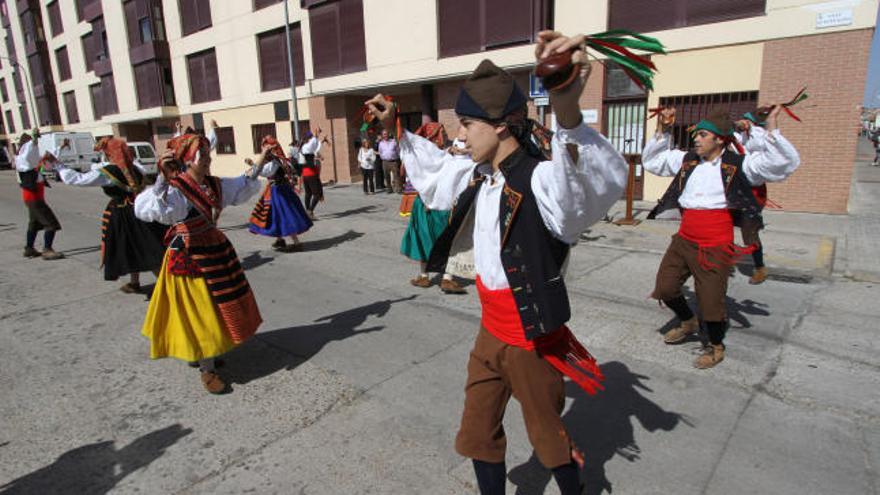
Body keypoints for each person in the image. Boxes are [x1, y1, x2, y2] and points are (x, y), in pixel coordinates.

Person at [366, 30, 627, 495]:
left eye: (467, 125)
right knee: (477, 430)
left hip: (531, 338)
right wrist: (394, 130)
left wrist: (566, 108)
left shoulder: (542, 180)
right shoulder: (477, 173)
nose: (460, 136)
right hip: (490, 330)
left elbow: (588, 187)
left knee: (547, 435)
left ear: (501, 125)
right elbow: (435, 177)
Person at [643, 106, 800, 369]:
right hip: (683, 239)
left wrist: (771, 127)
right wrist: (663, 128)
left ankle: (715, 346)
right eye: (697, 135)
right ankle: (688, 321)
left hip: (714, 244)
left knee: (711, 302)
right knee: (666, 287)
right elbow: (653, 162)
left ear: (719, 139)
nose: (696, 139)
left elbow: (783, 163)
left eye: (703, 135)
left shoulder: (740, 165)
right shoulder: (688, 159)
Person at [134, 131, 266, 394]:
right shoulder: (177, 188)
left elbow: (239, 186)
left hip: (215, 249)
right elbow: (156, 210)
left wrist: (261, 160)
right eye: (202, 155)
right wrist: (162, 178)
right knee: (200, 311)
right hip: (190, 256)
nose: (208, 159)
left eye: (208, 153)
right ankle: (207, 370)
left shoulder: (213, 184)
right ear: (188, 160)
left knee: (218, 306)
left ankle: (208, 351)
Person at [50, 137, 166, 293]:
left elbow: (78, 179)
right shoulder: (136, 168)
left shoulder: (110, 172)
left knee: (145, 250)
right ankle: (134, 282)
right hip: (139, 209)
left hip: (123, 215)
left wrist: (59, 166)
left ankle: (168, 288)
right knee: (134, 247)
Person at [400, 122, 467, 294]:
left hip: (440, 205)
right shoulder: (426, 156)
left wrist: (456, 153)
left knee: (445, 239)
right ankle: (427, 276)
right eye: (441, 132)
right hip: (427, 204)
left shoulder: (444, 153)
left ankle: (445, 278)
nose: (445, 134)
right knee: (428, 239)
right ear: (433, 135)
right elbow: (425, 179)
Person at [248, 136, 312, 252]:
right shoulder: (279, 159)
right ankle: (280, 239)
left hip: (279, 191)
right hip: (279, 190)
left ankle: (296, 243)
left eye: (265, 147)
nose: (264, 150)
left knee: (285, 215)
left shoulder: (275, 161)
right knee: (275, 215)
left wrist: (253, 165)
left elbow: (263, 172)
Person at [735, 112, 772, 284]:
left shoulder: (761, 145)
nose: (744, 124)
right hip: (733, 190)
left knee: (749, 232)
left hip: (753, 193)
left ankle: (759, 267)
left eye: (748, 122)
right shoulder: (739, 139)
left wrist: (751, 128)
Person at [16, 129, 64, 260]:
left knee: (34, 223)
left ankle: (29, 248)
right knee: (51, 224)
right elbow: (29, 154)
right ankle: (47, 250)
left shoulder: (30, 162)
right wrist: (34, 140)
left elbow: (46, 157)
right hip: (34, 199)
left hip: (34, 198)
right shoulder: (23, 161)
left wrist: (61, 147)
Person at [300, 129, 329, 219]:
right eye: (311, 137)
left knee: (308, 193)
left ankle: (308, 212)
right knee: (316, 193)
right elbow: (314, 144)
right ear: (308, 139)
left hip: (306, 173)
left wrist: (319, 137)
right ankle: (310, 211)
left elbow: (316, 145)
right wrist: (316, 135)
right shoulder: (306, 147)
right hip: (311, 173)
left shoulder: (304, 147)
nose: (312, 138)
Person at [378, 129, 402, 193]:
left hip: (394, 161)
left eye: (386, 134)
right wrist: (383, 157)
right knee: (386, 176)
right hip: (385, 162)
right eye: (384, 134)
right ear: (382, 135)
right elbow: (380, 152)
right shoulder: (381, 143)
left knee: (396, 175)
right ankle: (389, 189)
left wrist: (397, 157)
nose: (385, 135)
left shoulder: (393, 142)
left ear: (388, 134)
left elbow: (398, 150)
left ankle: (398, 189)